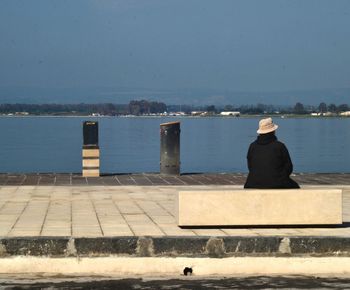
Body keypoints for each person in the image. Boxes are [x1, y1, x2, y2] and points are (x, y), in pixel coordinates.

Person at [244, 117, 299, 189]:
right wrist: (279, 177)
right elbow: (289, 167)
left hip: (252, 183)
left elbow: (250, 166)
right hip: (277, 183)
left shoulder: (252, 146)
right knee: (295, 187)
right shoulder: (280, 146)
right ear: (273, 131)